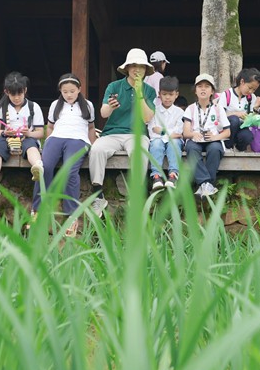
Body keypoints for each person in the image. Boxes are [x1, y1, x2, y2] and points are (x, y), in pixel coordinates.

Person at [89, 48, 157, 217]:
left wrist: (140, 93)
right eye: (133, 65)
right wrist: (110, 106)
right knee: (97, 149)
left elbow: (148, 118)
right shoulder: (114, 86)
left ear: (146, 70)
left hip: (137, 134)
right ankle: (97, 194)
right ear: (126, 68)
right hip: (112, 133)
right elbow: (103, 113)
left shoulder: (149, 90)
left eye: (141, 66)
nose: (137, 69)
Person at [33, 73, 96, 236]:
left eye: (72, 91)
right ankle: (37, 210)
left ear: (79, 90)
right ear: (60, 91)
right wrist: (48, 145)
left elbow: (90, 128)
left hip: (78, 139)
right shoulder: (55, 105)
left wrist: (93, 146)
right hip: (56, 138)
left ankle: (72, 217)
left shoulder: (87, 105)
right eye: (65, 91)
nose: (69, 94)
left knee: (69, 170)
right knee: (44, 167)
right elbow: (50, 127)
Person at [0, 72, 45, 202]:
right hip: (7, 138)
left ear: (25, 90)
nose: (17, 98)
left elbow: (41, 133)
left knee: (31, 144)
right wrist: (4, 132)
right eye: (13, 94)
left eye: (19, 94)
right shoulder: (2, 106)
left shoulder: (33, 107)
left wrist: (28, 133)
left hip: (27, 137)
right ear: (6, 92)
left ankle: (37, 166)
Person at [183, 74, 230, 197]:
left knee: (215, 148)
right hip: (196, 139)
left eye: (207, 86)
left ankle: (204, 185)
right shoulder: (190, 108)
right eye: (200, 86)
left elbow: (227, 132)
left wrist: (215, 137)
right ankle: (207, 184)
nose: (203, 89)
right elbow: (186, 133)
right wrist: (193, 133)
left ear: (212, 91)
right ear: (195, 90)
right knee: (191, 148)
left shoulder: (218, 108)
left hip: (213, 139)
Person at [147, 75, 184, 190]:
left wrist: (162, 131)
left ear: (176, 94)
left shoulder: (180, 112)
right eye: (164, 94)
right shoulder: (154, 110)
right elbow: (152, 131)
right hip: (157, 140)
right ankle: (156, 176)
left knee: (174, 143)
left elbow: (179, 131)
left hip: (174, 141)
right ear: (159, 94)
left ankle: (173, 175)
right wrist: (169, 133)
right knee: (156, 143)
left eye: (171, 94)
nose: (167, 97)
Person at [217, 67, 260, 152]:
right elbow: (219, 115)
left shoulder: (251, 97)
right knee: (234, 120)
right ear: (242, 82)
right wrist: (235, 114)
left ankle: (239, 149)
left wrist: (256, 107)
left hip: (242, 127)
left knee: (248, 136)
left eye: (254, 90)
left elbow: (253, 120)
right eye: (249, 88)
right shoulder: (227, 94)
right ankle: (228, 147)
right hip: (227, 128)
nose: (251, 91)